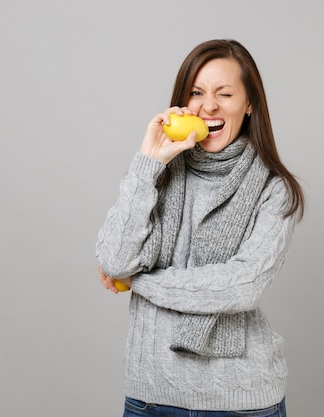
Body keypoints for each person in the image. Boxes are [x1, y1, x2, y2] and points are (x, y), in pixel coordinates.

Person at [96, 39, 304, 417]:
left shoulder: (276, 191)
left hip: (241, 403)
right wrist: (148, 161)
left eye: (225, 93)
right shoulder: (156, 174)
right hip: (150, 398)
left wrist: (138, 280)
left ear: (250, 103)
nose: (209, 106)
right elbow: (114, 258)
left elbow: (241, 286)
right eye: (196, 93)